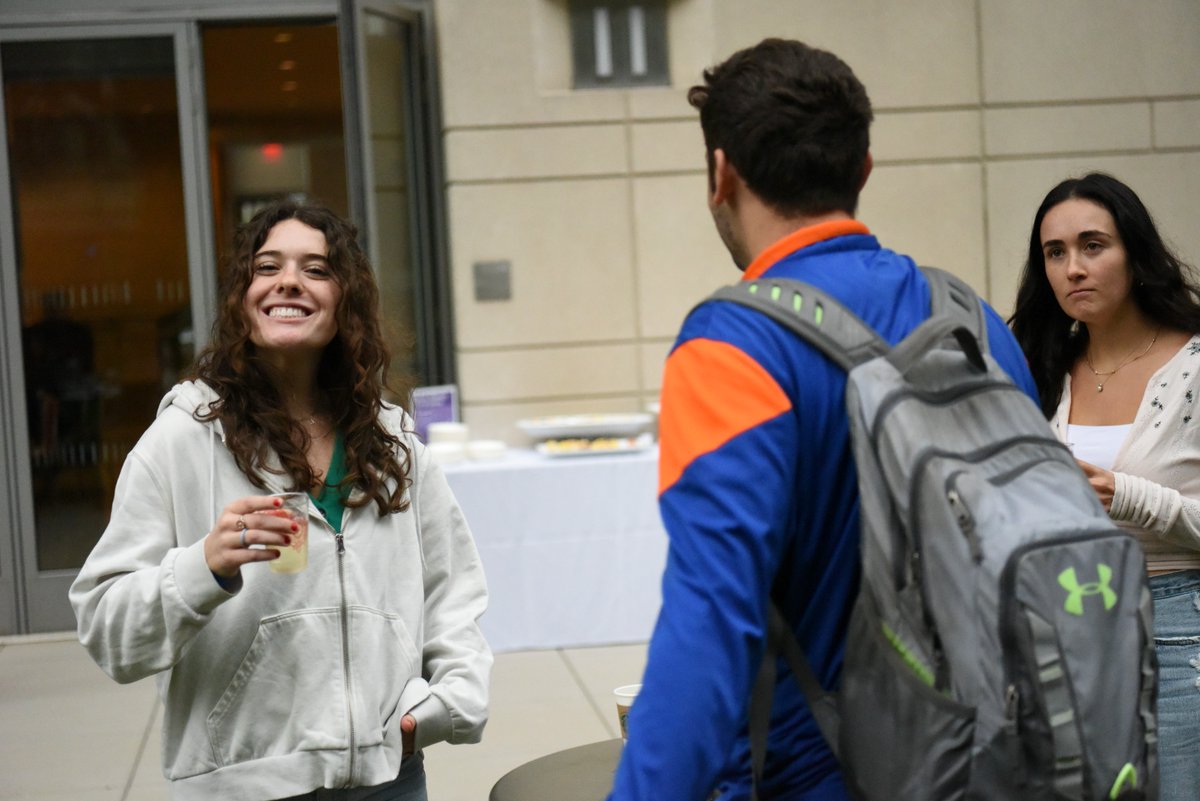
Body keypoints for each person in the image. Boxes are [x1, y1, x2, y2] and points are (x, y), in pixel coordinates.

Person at [606, 38, 1038, 801]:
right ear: (862, 169)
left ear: (720, 174)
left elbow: (710, 628)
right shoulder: (972, 317)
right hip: (994, 766)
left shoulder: (732, 346)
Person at [69, 200, 491, 801]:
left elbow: (452, 595)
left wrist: (448, 704)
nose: (289, 280)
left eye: (316, 269)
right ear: (244, 297)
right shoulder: (183, 440)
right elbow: (108, 629)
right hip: (246, 785)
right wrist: (204, 566)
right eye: (267, 267)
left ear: (346, 301)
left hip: (388, 778)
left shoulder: (391, 444)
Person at [1009, 172, 1200, 801]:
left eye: (1094, 245)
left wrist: (1127, 495)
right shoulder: (1039, 368)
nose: (1073, 268)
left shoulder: (1193, 366)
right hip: (1067, 632)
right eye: (1055, 253)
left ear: (1135, 254)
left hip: (1180, 633)